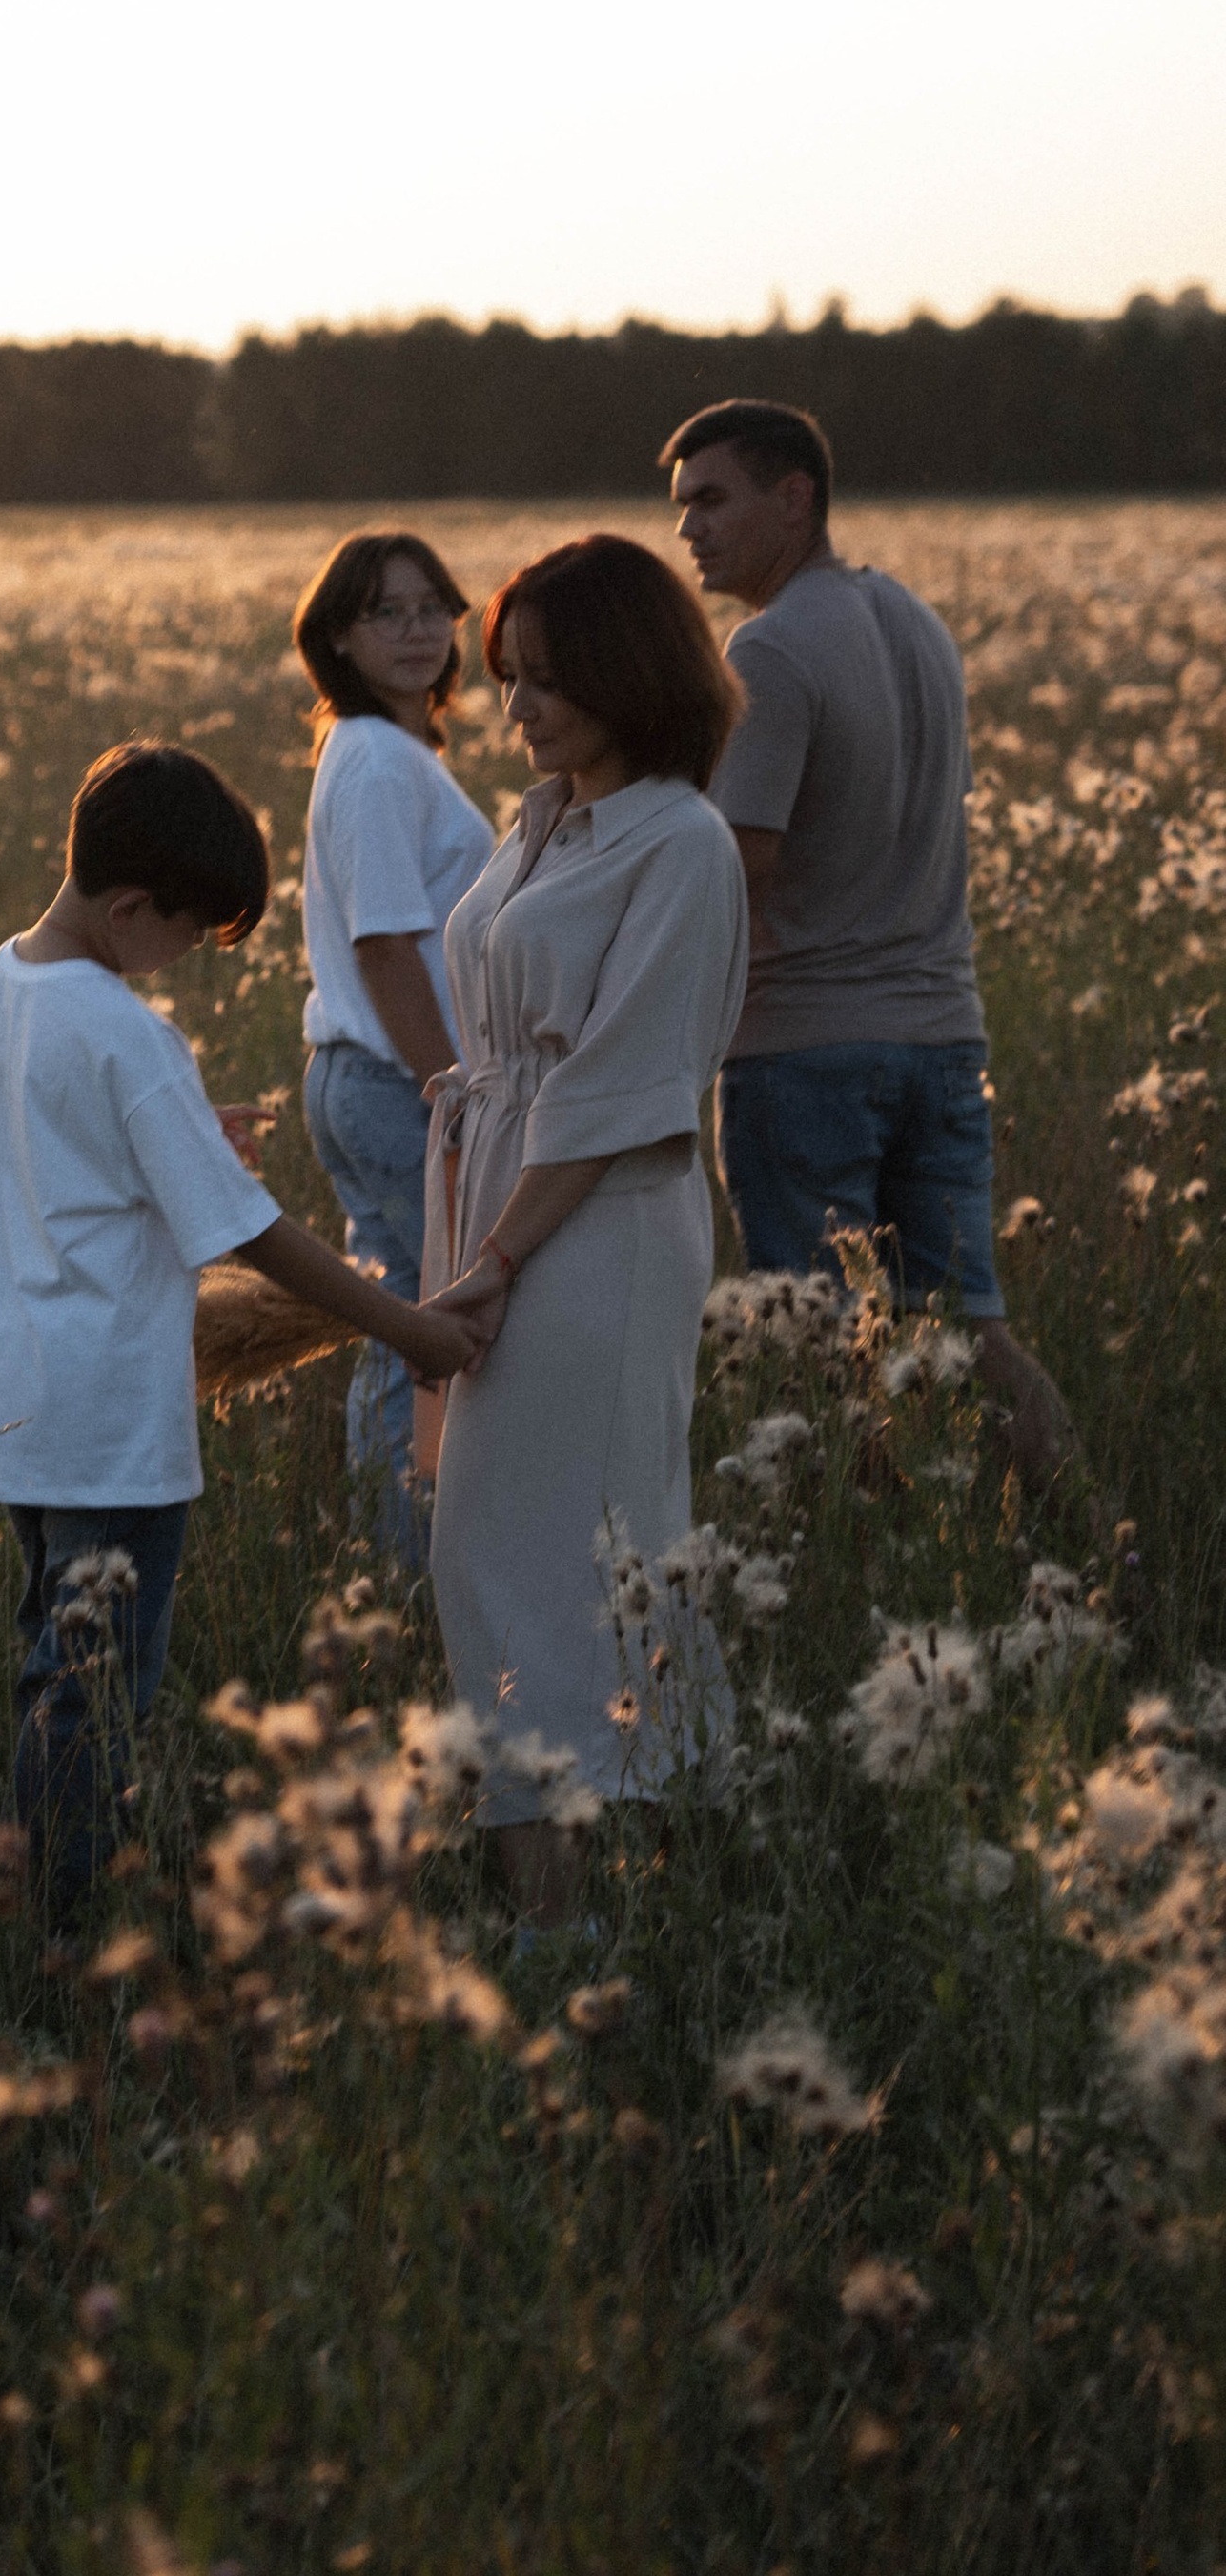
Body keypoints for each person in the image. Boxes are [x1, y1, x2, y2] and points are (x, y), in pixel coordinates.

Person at [0, 739, 483, 1921]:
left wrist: (181, 1138)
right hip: (111, 1422)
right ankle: (77, 1930)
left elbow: (14, 1164)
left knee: (52, 1669)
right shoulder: (127, 1033)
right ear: (130, 907)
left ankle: (43, 1903)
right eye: (187, 932)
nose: (183, 954)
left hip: (13, 1403)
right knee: (97, 1695)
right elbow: (252, 1237)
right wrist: (406, 1328)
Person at [424, 537, 749, 1926]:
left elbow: (617, 1089)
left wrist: (495, 1261)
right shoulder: (546, 821)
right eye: (507, 677)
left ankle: (580, 1906)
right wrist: (475, 1239)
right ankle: (593, 1891)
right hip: (507, 1199)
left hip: (594, 1226)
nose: (518, 707)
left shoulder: (681, 843)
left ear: (631, 671)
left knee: (565, 1554)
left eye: (548, 680)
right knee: (501, 1550)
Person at [663, 399, 1074, 1485]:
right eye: (682, 505)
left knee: (821, 1349)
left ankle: (866, 1553)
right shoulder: (918, 623)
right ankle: (1093, 1537)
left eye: (712, 499)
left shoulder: (769, 648)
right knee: (971, 1331)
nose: (688, 528)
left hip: (804, 1054)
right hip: (944, 1039)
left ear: (794, 496)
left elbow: (737, 862)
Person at [290, 530, 496, 1575]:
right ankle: (410, 1563)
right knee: (424, 1329)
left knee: (405, 1322)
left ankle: (400, 1562)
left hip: (376, 1078)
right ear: (338, 636)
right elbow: (382, 942)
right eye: (386, 612)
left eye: (432, 609)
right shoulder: (373, 757)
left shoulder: (390, 754)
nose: (417, 630)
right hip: (395, 1083)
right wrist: (451, 1091)